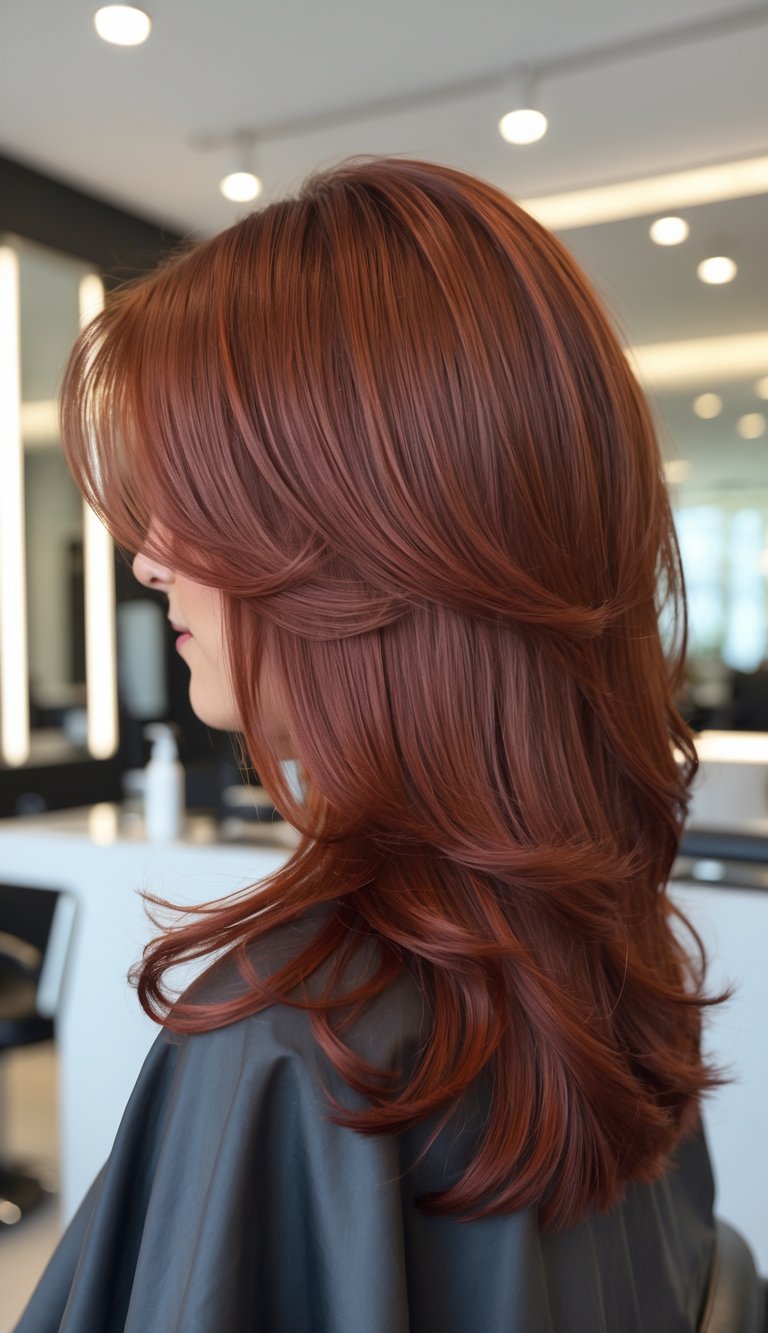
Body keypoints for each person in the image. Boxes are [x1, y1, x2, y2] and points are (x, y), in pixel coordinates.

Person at [17, 156, 725, 1332]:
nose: (149, 559)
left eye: (193, 498)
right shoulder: (608, 927)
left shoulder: (299, 1047)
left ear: (361, 545)